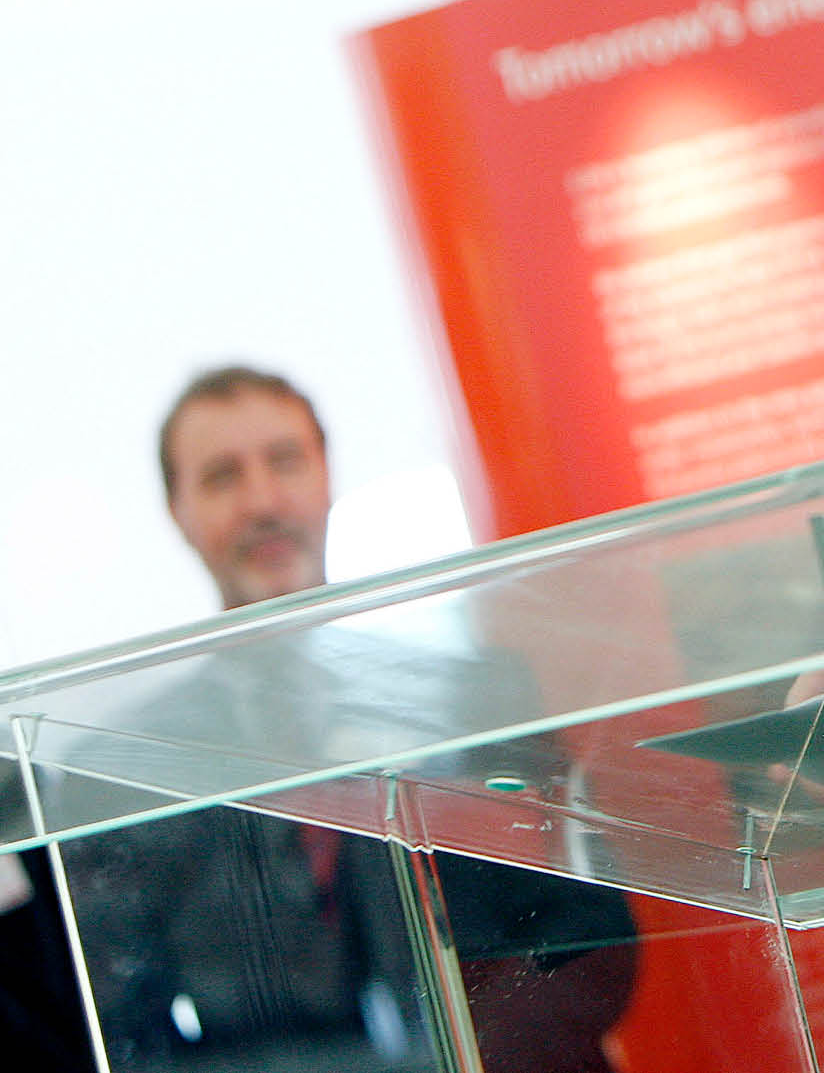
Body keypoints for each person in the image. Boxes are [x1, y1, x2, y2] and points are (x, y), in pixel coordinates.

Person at [46, 366, 638, 1072]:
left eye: (285, 460)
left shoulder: (479, 697)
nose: (263, 499)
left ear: (328, 475)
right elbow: (119, 1025)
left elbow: (592, 942)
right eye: (222, 476)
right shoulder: (119, 767)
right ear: (179, 513)